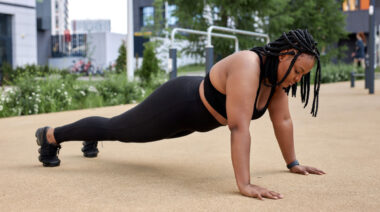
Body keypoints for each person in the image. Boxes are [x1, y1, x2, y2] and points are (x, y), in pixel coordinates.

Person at [35, 29, 326, 200]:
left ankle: (90, 138)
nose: (297, 79)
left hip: (193, 122)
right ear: (285, 54)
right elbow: (239, 127)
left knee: (119, 130)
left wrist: (293, 163)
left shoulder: (275, 81)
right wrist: (245, 184)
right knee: (118, 129)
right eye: (298, 71)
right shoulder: (250, 64)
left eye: (303, 75)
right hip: (178, 104)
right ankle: (50, 136)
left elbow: (283, 121)